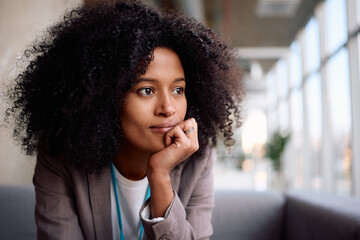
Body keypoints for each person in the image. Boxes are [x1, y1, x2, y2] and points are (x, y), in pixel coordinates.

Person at [6, 1, 243, 239]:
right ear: (106, 96)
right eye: (146, 90)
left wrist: (159, 175)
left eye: (178, 90)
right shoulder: (60, 156)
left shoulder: (197, 158)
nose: (168, 108)